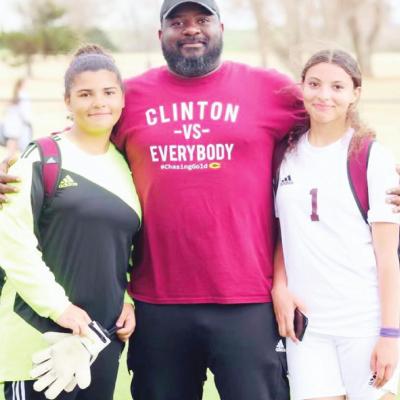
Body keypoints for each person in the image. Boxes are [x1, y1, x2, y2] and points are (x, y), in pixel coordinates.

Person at [1, 2, 400, 400]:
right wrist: (19, 166)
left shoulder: (267, 89)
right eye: (178, 22)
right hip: (157, 303)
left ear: (221, 27)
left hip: (247, 300)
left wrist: (385, 173)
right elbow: (83, 135)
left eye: (201, 20)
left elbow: (332, 121)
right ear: (161, 35)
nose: (191, 29)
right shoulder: (130, 96)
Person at [0, 45, 141, 400]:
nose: (98, 102)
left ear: (122, 99)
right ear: (67, 102)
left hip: (100, 342)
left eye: (108, 92)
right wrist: (59, 308)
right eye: (85, 94)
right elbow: (11, 242)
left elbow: (118, 249)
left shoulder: (127, 166)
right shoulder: (42, 157)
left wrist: (127, 300)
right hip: (39, 342)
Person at [272, 49, 400, 400]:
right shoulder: (286, 154)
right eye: (314, 84)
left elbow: (388, 258)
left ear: (355, 93)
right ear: (302, 88)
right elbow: (285, 233)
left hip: (364, 323)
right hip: (307, 329)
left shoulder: (371, 156)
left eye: (337, 86)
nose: (324, 95)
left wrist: (390, 334)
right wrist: (279, 286)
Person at [1, 78, 33, 157]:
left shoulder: (17, 95)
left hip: (12, 128)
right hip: (15, 128)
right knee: (11, 154)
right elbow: (25, 112)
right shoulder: (23, 95)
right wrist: (28, 122)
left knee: (11, 153)